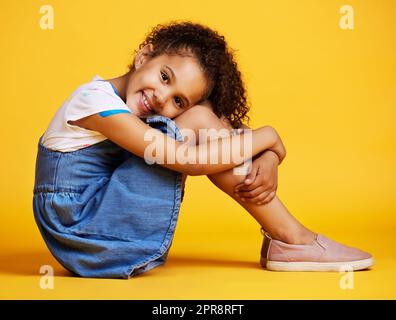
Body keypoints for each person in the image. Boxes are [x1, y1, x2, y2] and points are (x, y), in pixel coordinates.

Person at [33, 21, 373, 279]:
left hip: (98, 219)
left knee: (203, 121)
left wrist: (270, 155)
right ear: (144, 55)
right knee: (197, 122)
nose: (162, 97)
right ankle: (291, 238)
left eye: (177, 99)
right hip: (82, 229)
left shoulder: (141, 110)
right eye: (165, 76)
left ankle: (286, 239)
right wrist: (271, 136)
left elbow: (226, 135)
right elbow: (189, 161)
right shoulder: (93, 100)